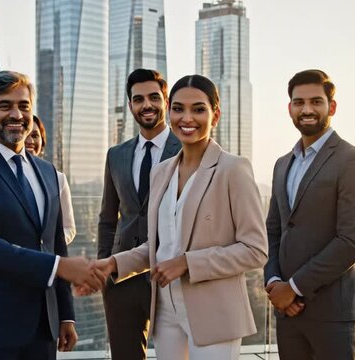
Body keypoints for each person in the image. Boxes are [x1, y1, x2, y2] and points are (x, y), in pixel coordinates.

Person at [96, 74, 268, 360]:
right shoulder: (161, 171)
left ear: (216, 115)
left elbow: (255, 250)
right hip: (165, 310)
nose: (186, 118)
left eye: (198, 109)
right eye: (178, 108)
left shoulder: (233, 169)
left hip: (214, 313)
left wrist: (187, 263)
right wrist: (113, 263)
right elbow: (159, 245)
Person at [0, 70, 106, 360]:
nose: (16, 114)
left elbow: (55, 243)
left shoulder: (48, 173)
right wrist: (60, 267)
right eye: (5, 105)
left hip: (43, 327)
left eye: (24, 106)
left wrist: (65, 314)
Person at [264, 69, 355, 360]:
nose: (307, 109)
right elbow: (273, 231)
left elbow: (352, 241)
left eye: (316, 101)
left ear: (332, 107)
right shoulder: (281, 165)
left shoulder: (353, 160)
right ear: (290, 108)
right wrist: (275, 282)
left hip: (332, 313)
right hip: (286, 313)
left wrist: (295, 288)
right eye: (299, 102)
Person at [97, 68, 180, 359]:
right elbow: (108, 218)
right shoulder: (116, 155)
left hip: (171, 273)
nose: (147, 105)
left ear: (166, 101)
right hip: (121, 278)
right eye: (138, 99)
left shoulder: (186, 148)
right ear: (130, 104)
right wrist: (104, 266)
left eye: (154, 97)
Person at [24, 115, 76, 244]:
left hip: (49, 258)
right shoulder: (3, 176)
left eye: (35, 135)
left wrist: (50, 243)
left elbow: (69, 227)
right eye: (26, 135)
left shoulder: (58, 178)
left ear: (42, 142)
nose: (30, 140)